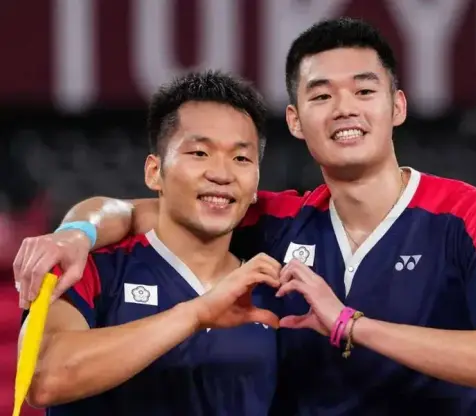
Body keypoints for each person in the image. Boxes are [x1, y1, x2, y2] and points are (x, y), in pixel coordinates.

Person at [15, 18, 476, 416]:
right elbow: (145, 211)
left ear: (398, 107)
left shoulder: (470, 214)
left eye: (364, 90)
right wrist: (77, 231)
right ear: (295, 120)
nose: (345, 108)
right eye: (321, 95)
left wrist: (349, 324)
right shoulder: (278, 220)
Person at [17, 70, 284, 416]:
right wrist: (194, 314)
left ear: (255, 183)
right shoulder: (90, 266)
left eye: (241, 158)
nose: (222, 173)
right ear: (154, 172)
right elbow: (43, 378)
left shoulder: (273, 289)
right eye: (200, 153)